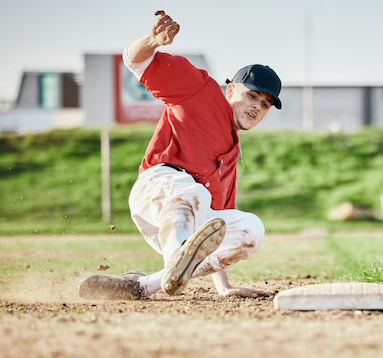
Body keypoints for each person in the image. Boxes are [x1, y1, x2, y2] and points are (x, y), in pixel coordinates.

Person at [78, 10, 282, 300]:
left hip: (185, 221)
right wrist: (151, 41)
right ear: (232, 89)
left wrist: (223, 286)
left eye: (264, 105)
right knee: (195, 193)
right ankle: (176, 258)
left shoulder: (231, 153)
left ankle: (142, 286)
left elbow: (214, 228)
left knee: (252, 230)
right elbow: (135, 62)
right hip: (158, 188)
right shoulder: (201, 89)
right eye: (251, 96)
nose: (256, 107)